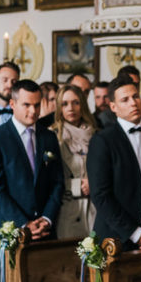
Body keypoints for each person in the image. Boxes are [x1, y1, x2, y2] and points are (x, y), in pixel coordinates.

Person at [87, 76, 141, 250]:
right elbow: (101, 195)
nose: (133, 103)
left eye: (136, 97)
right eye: (125, 100)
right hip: (118, 238)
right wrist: (135, 233)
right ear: (113, 107)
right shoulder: (103, 141)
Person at [0, 79, 63, 240]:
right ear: (12, 104)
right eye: (27, 105)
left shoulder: (49, 137)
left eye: (37, 105)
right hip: (9, 231)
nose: (33, 111)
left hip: (45, 232)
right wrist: (25, 224)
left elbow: (57, 182)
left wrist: (46, 219)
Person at [51, 84, 97, 238]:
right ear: (59, 107)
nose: (71, 108)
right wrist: (77, 186)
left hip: (94, 207)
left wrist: (93, 184)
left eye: (75, 102)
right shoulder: (52, 136)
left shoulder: (96, 134)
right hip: (68, 208)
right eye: (65, 104)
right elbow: (48, 179)